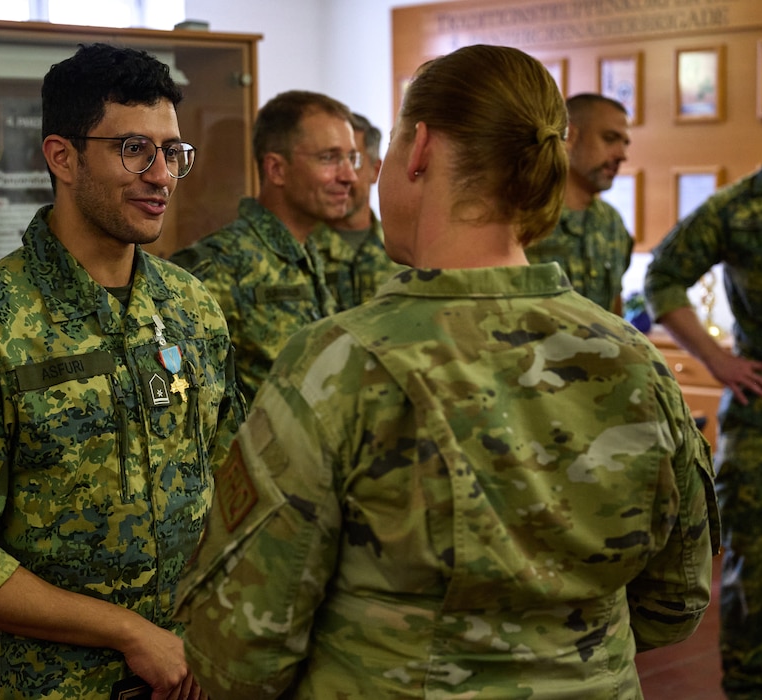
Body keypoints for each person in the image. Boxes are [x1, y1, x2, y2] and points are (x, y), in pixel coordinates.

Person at [174, 44, 719, 700]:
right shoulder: (639, 365)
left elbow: (240, 647)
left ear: (421, 148)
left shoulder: (343, 363)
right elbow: (678, 602)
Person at [0, 42, 243, 700]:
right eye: (134, 148)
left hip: (199, 675)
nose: (161, 175)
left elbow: (233, 484)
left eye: (173, 152)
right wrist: (129, 633)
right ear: (62, 157)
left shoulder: (192, 309)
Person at [644, 73, 762, 700]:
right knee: (748, 570)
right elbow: (664, 277)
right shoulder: (737, 208)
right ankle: (748, 687)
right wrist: (717, 361)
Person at [170, 90, 356, 401]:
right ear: (276, 170)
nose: (349, 175)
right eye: (329, 158)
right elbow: (190, 405)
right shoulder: (220, 265)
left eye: (352, 158)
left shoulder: (310, 253)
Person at [525, 93, 633, 313]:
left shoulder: (611, 222)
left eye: (625, 143)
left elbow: (615, 311)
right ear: (570, 136)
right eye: (610, 138)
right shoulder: (524, 215)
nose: (622, 155)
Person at [312, 112, 406, 310]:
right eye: (329, 160)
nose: (342, 175)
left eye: (353, 160)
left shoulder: (405, 252)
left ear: (375, 170)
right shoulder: (301, 251)